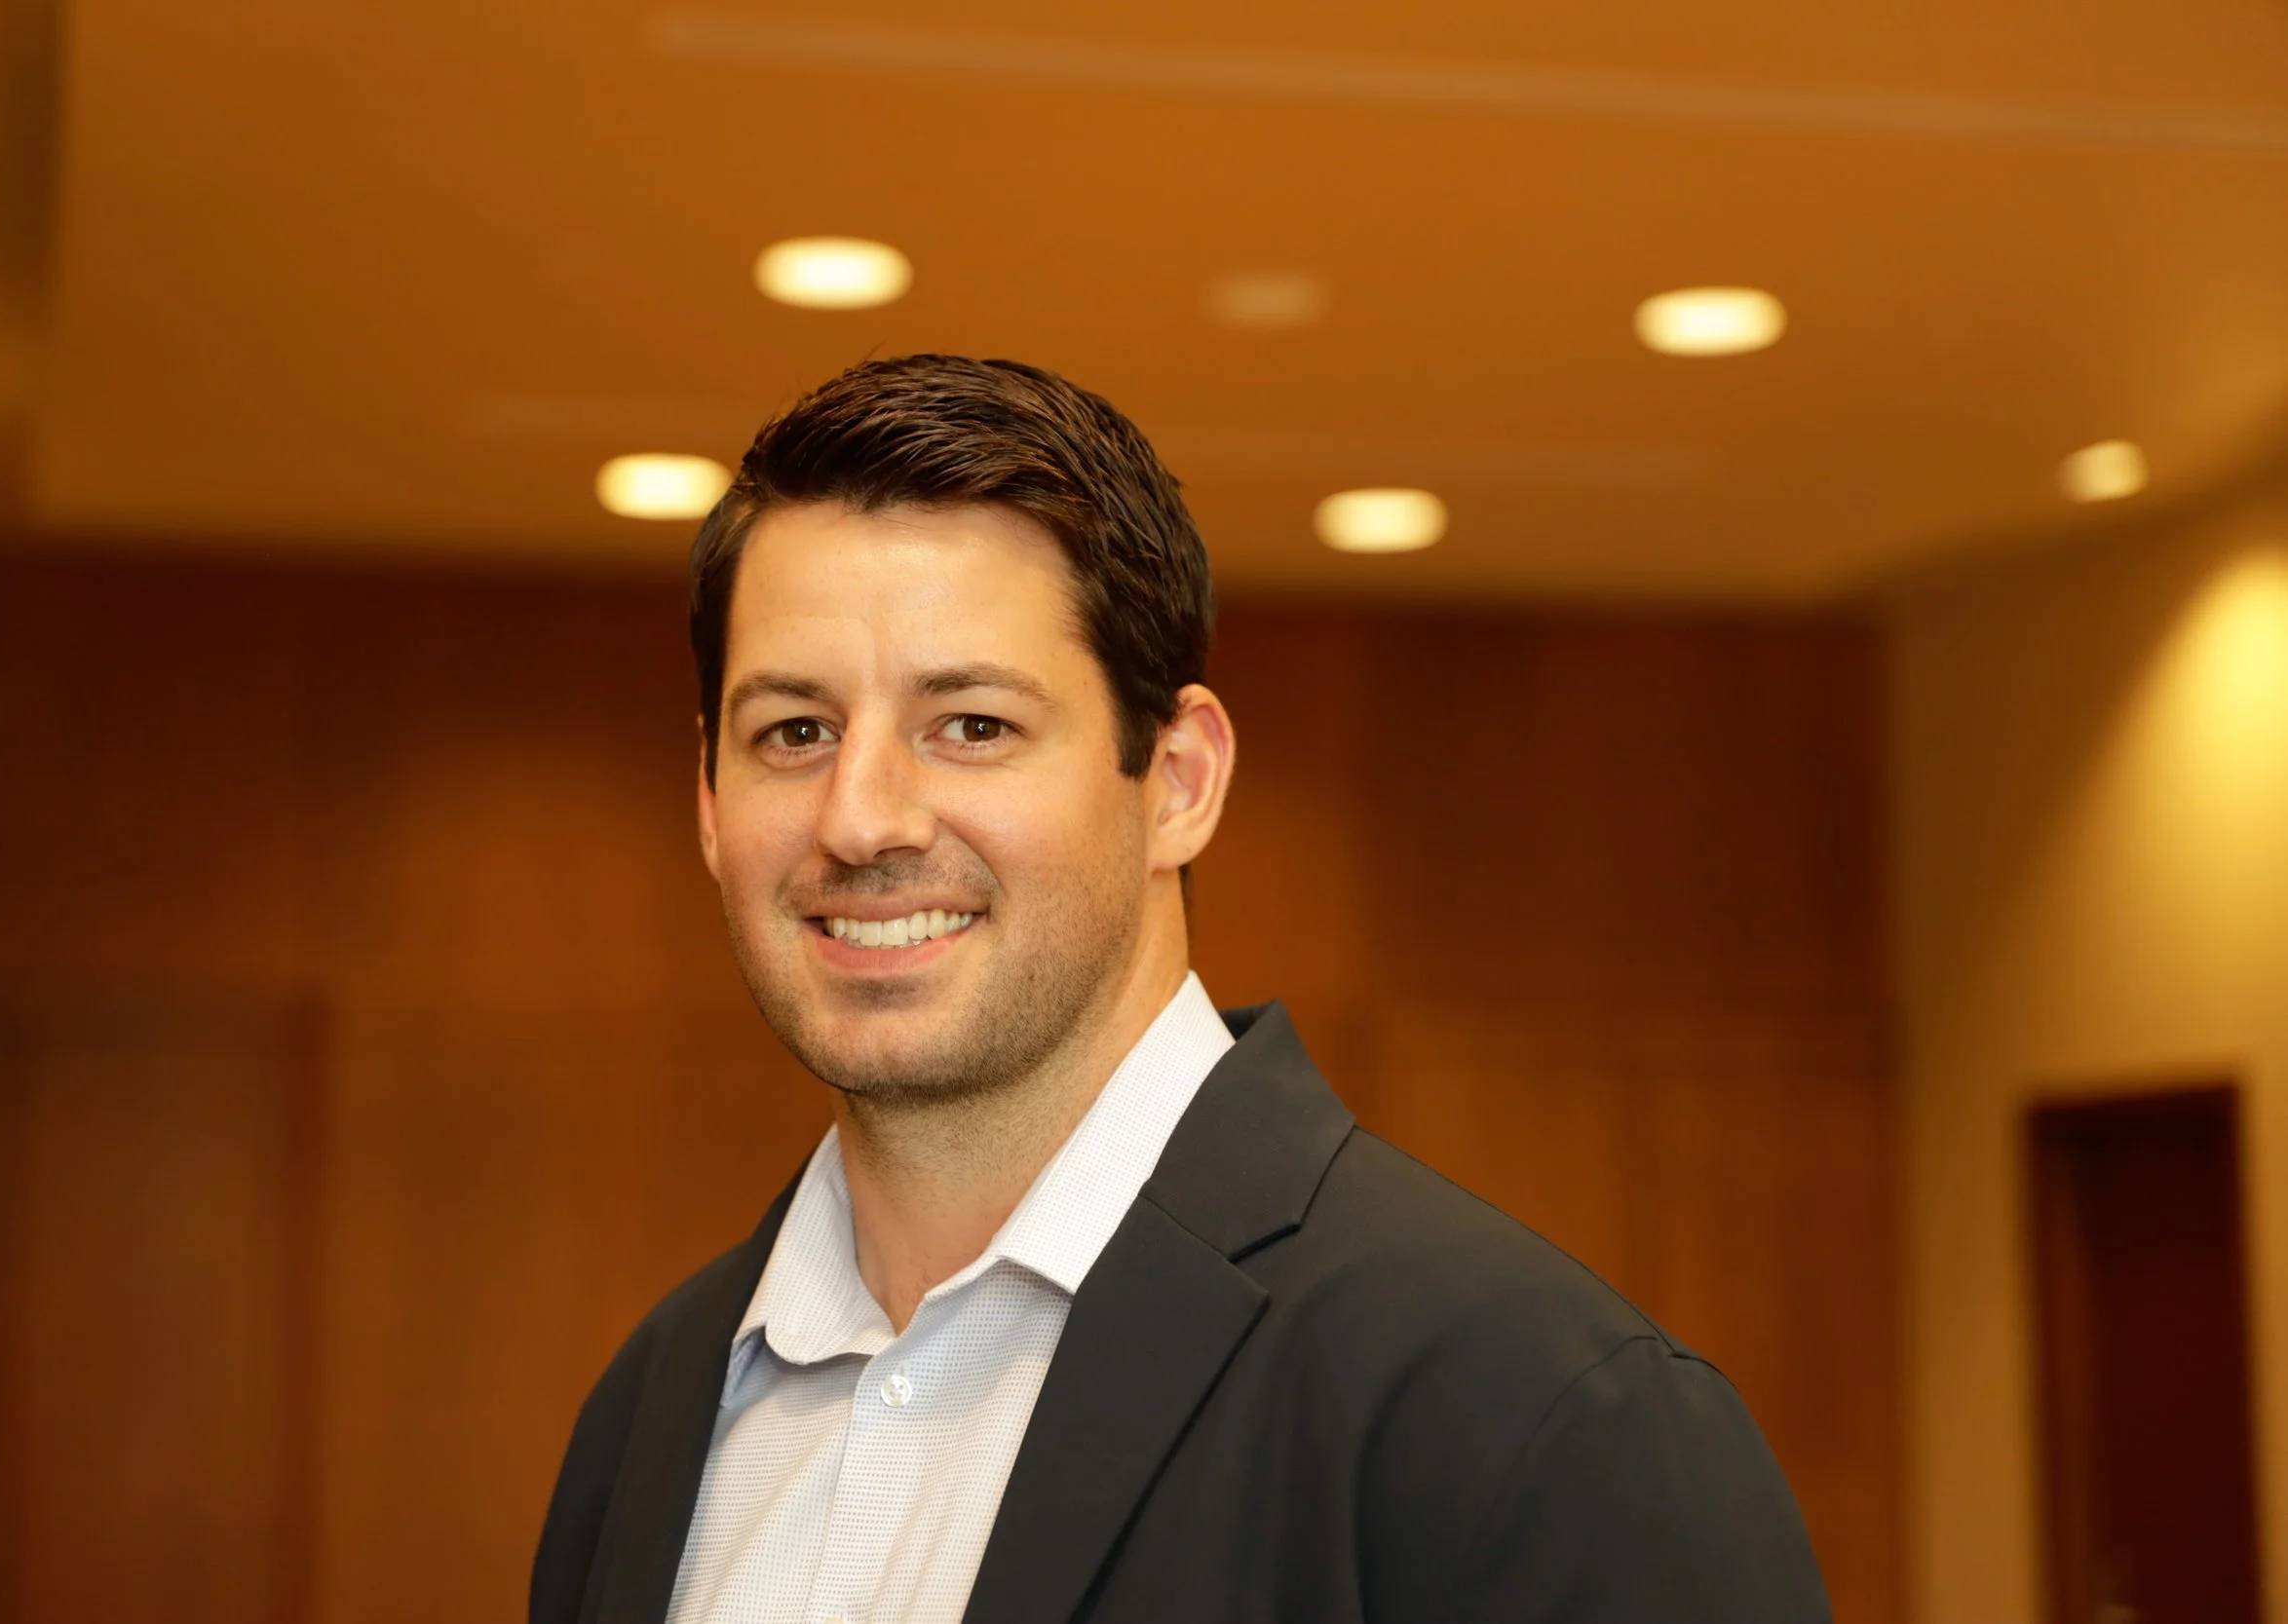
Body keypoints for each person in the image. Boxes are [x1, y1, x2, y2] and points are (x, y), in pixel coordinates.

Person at [529, 355, 1831, 1624]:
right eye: (793, 731)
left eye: (971, 723)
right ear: (709, 796)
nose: (861, 817)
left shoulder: (1541, 1419)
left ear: (1180, 780)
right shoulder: (651, 1416)